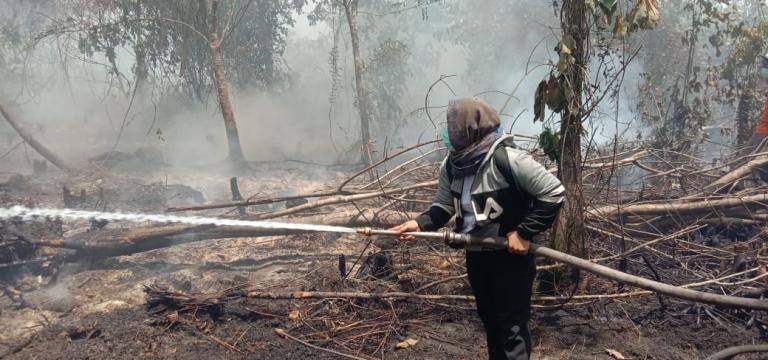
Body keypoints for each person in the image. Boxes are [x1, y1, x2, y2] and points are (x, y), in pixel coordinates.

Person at [392, 97, 565, 360]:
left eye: (454, 129)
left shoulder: (508, 159)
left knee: (512, 330)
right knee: (491, 324)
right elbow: (443, 206)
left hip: (510, 259)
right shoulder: (452, 165)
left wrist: (523, 233)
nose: (448, 135)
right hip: (477, 255)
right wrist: (420, 223)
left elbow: (554, 193)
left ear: (472, 130)